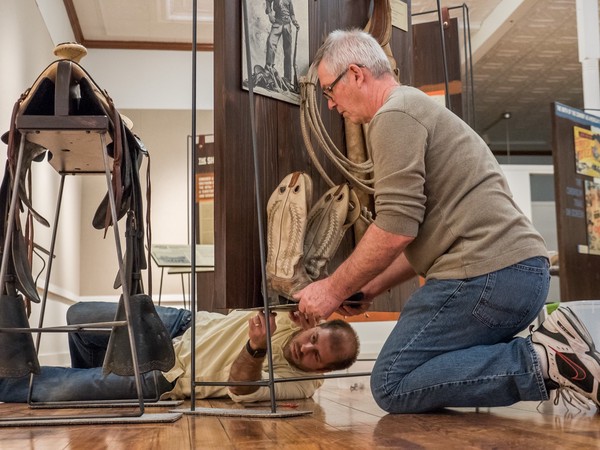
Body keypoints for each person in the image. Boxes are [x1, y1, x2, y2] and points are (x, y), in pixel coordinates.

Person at [293, 29, 600, 413]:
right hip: (518, 277)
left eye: (329, 90)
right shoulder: (411, 108)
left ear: (355, 74)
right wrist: (371, 286)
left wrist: (332, 289)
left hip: (489, 277)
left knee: (391, 382)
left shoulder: (394, 115)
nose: (331, 105)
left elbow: (395, 227)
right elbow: (417, 231)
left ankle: (545, 360)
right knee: (413, 374)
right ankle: (553, 358)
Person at [0, 301, 359, 403]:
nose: (306, 346)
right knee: (79, 317)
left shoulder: (301, 386)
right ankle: (100, 383)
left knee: (50, 388)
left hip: (171, 376)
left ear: (321, 371)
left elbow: (241, 389)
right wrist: (307, 296)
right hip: (186, 326)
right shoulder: (298, 316)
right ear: (315, 326)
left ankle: (97, 385)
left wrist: (255, 349)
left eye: (316, 355)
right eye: (314, 338)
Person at [265, 0, 299, 86]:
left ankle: (287, 79)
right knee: (270, 43)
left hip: (287, 25)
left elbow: (292, 14)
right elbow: (268, 2)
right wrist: (270, 15)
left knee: (288, 52)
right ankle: (269, 72)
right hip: (277, 23)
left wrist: (295, 22)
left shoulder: (289, 1)